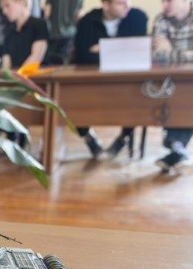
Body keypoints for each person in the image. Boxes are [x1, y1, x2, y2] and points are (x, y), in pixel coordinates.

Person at [74, 0, 148, 158]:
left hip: (127, 80)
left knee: (139, 97)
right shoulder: (88, 21)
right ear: (106, 5)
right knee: (72, 98)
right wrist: (119, 49)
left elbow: (137, 54)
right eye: (121, 3)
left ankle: (123, 137)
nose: (127, 6)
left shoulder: (137, 17)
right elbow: (82, 57)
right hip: (93, 80)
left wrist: (102, 48)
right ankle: (88, 136)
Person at [151, 0, 193, 171]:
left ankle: (176, 147)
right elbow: (159, 55)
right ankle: (177, 149)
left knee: (191, 95)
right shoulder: (161, 19)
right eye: (162, 1)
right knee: (167, 94)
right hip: (174, 81)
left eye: (169, 1)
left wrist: (173, 53)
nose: (164, 6)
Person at [0, 0, 50, 69]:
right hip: (15, 74)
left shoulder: (39, 25)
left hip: (36, 74)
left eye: (7, 5)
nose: (4, 11)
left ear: (22, 2)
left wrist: (18, 74)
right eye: (3, 7)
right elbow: (6, 64)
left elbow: (36, 57)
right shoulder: (9, 32)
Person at [43, 0, 83, 65]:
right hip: (70, 33)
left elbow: (47, 13)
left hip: (54, 32)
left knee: (51, 61)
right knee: (63, 61)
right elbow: (78, 15)